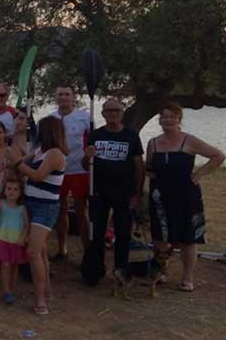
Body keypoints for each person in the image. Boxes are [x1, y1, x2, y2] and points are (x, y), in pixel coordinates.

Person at [145, 103, 224, 292]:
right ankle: (161, 272)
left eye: (172, 116)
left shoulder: (189, 141)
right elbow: (149, 166)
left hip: (186, 195)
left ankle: (187, 278)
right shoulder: (153, 142)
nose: (168, 120)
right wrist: (153, 177)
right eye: (164, 117)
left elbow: (218, 155)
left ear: (179, 119)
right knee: (160, 236)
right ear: (160, 120)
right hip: (160, 196)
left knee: (188, 237)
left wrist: (198, 175)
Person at [9, 115, 67, 315]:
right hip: (31, 204)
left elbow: (37, 175)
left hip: (45, 207)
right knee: (40, 252)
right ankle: (46, 291)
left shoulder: (55, 154)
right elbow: (21, 163)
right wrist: (16, 150)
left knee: (33, 253)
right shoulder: (39, 150)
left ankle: (40, 300)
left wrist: (16, 162)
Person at [81, 99, 145, 281]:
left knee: (123, 233)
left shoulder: (131, 135)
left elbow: (139, 166)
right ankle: (96, 268)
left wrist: (138, 194)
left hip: (124, 192)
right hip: (99, 192)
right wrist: (87, 156)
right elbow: (86, 166)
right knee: (98, 232)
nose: (112, 114)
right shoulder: (96, 135)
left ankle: (120, 270)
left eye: (116, 110)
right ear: (103, 114)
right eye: (108, 111)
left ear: (122, 113)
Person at [52, 84, 90, 261]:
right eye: (60, 94)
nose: (63, 97)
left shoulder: (84, 118)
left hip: (79, 170)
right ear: (56, 97)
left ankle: (87, 251)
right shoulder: (51, 118)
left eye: (67, 94)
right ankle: (62, 249)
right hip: (57, 171)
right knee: (61, 210)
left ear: (73, 97)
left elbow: (92, 143)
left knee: (81, 212)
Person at [0, 177, 29, 304]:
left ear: (20, 192)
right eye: (9, 189)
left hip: (16, 241)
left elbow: (27, 225)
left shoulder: (22, 209)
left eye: (15, 189)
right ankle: (6, 291)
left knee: (14, 266)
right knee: (5, 265)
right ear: (4, 191)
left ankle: (11, 289)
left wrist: (23, 237)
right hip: (2, 239)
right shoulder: (1, 204)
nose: (12, 192)